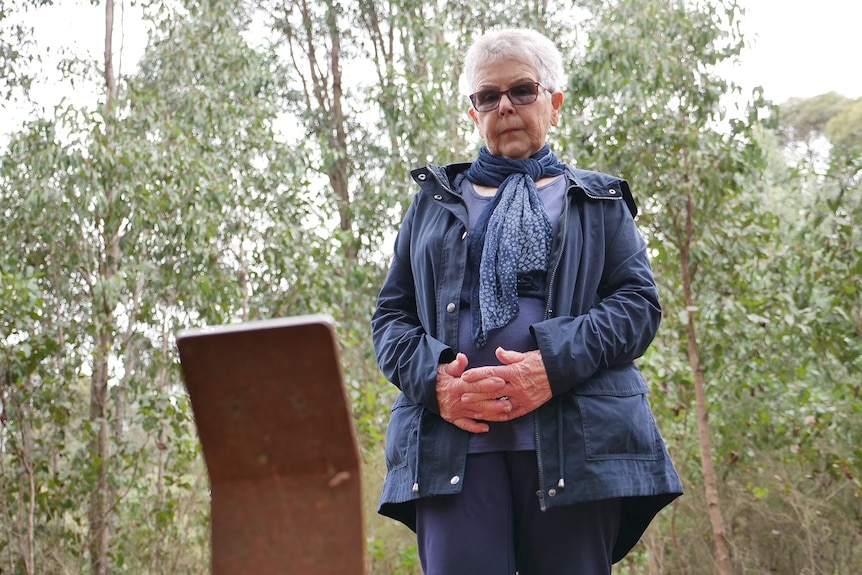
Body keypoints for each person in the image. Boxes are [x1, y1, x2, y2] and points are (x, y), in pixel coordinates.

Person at [371, 27, 683, 575]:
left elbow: (638, 306)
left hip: (578, 441)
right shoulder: (430, 205)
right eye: (487, 96)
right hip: (451, 445)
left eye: (522, 90)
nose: (505, 106)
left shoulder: (598, 199)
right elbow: (390, 320)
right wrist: (437, 383)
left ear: (554, 103)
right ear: (473, 113)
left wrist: (551, 366)